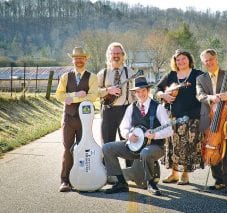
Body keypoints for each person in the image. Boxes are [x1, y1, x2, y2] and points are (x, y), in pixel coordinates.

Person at [102, 76, 173, 196]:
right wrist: (128, 135)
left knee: (145, 152)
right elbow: (123, 127)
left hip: (155, 146)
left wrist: (155, 134)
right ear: (134, 93)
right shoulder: (131, 107)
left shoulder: (158, 107)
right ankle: (121, 183)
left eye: (143, 91)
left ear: (148, 91)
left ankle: (151, 183)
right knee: (107, 148)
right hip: (134, 146)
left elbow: (169, 130)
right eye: (138, 92)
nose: (141, 94)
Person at [196, 48, 227, 195]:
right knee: (211, 149)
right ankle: (219, 181)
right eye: (206, 61)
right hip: (209, 120)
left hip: (225, 121)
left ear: (216, 59)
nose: (208, 63)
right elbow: (200, 95)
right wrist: (210, 98)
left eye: (211, 59)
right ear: (203, 63)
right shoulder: (200, 79)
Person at [155, 49, 204, 185]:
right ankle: (174, 174)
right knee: (173, 145)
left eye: (183, 58)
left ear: (189, 60)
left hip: (192, 116)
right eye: (178, 59)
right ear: (174, 62)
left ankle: (185, 174)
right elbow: (157, 90)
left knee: (188, 145)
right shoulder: (171, 75)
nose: (181, 61)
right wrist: (163, 95)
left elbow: (206, 90)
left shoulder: (197, 75)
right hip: (174, 116)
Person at [55, 47, 98, 192]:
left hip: (84, 119)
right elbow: (59, 96)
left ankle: (81, 178)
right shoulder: (65, 77)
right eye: (76, 58)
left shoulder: (92, 77)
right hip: (68, 118)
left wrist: (71, 98)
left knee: (83, 148)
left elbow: (93, 96)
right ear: (72, 60)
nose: (79, 60)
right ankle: (65, 181)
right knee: (67, 148)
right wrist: (76, 94)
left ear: (86, 59)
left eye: (81, 57)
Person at [97, 42, 135, 168]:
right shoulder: (102, 73)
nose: (116, 56)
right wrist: (108, 90)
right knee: (107, 143)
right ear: (109, 55)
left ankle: (131, 172)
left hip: (127, 110)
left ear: (123, 55)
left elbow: (137, 93)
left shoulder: (131, 73)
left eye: (118, 53)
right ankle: (108, 172)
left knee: (129, 142)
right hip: (108, 111)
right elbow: (95, 92)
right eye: (113, 53)